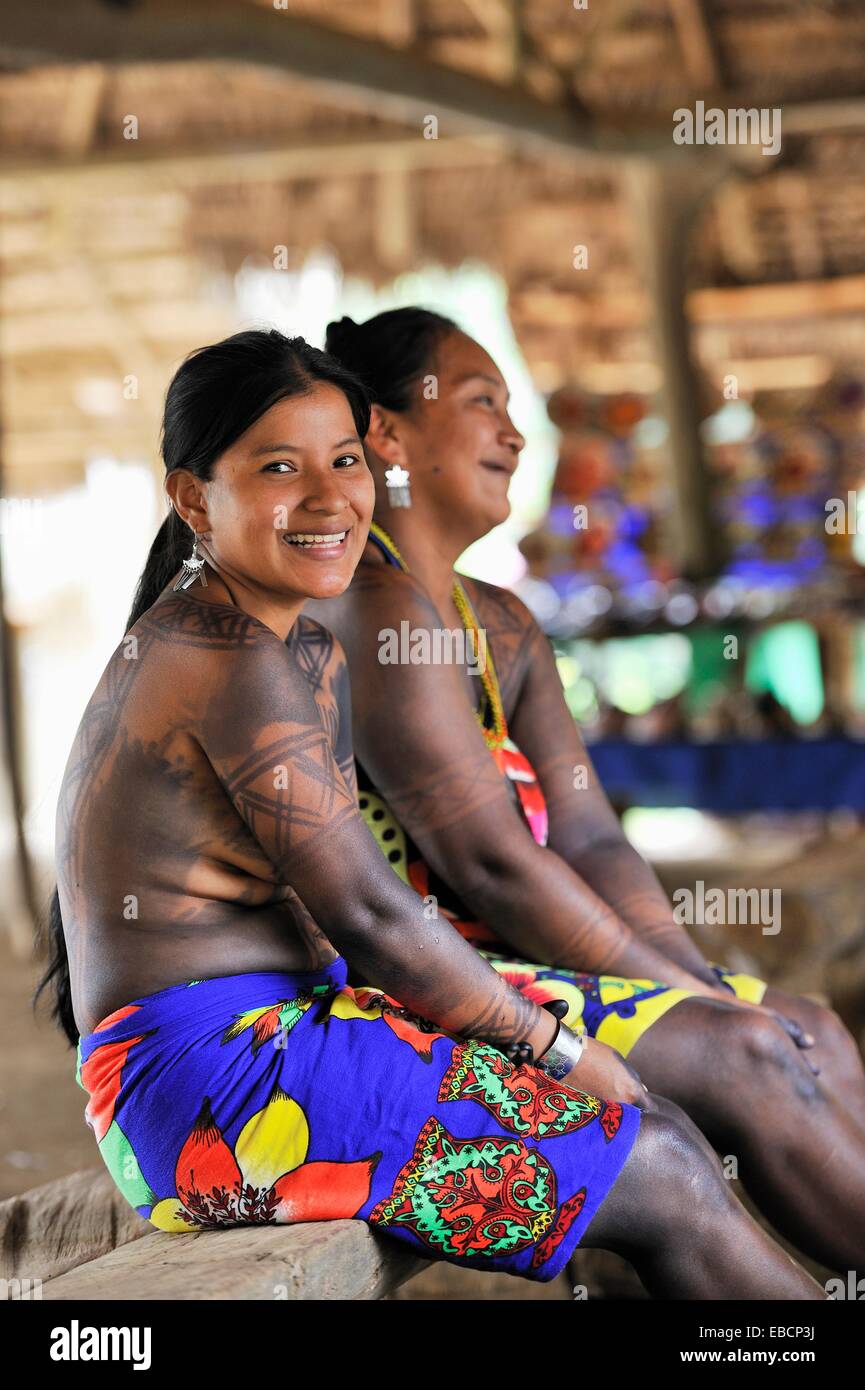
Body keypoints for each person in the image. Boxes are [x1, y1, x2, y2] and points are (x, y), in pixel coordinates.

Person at [33, 329, 820, 1298]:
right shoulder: (230, 658)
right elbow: (370, 913)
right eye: (280, 467)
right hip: (209, 1093)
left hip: (281, 1038)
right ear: (194, 497)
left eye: (346, 461)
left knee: (657, 1140)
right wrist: (562, 1047)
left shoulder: (287, 651)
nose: (329, 498)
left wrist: (512, 1038)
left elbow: (360, 921)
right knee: (658, 1167)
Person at [308, 306, 865, 1275]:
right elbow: (491, 862)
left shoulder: (503, 623)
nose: (514, 434)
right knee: (744, 1054)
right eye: (482, 403)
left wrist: (684, 971)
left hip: (530, 967)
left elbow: (591, 836)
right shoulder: (370, 597)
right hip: (422, 987)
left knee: (803, 1023)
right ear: (386, 434)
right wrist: (692, 999)